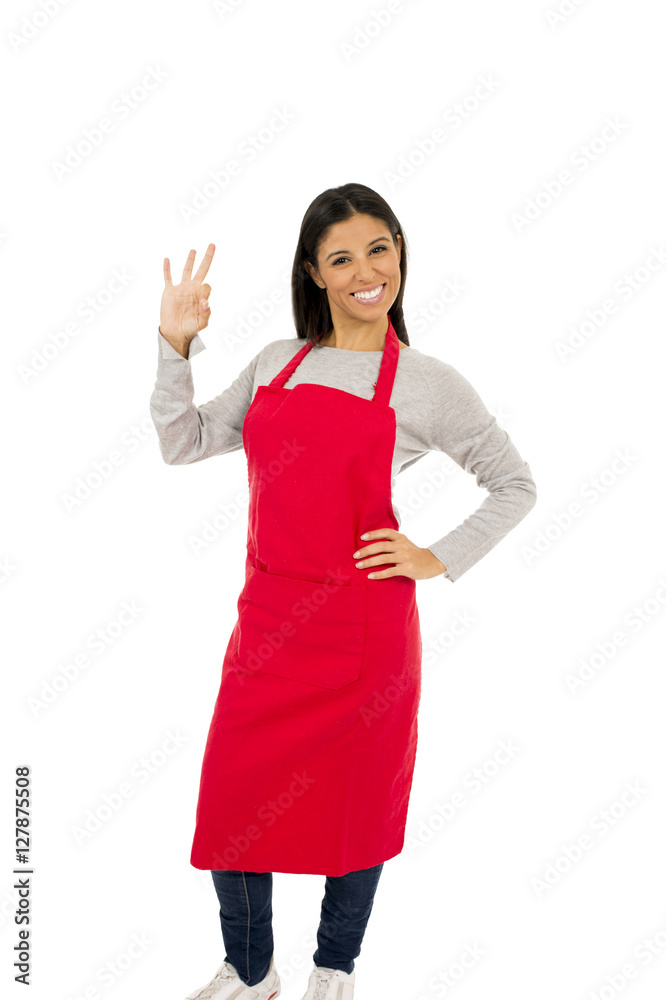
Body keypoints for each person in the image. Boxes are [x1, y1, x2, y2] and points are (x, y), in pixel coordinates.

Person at [150, 183, 537, 1000]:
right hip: (270, 627)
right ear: (314, 273)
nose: (366, 272)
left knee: (356, 811)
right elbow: (183, 444)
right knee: (233, 806)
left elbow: (513, 483)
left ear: (399, 253)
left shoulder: (427, 382)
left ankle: (335, 970)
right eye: (342, 258)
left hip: (364, 635)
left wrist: (434, 556)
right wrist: (174, 346)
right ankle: (252, 973)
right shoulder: (273, 362)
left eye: (379, 249)